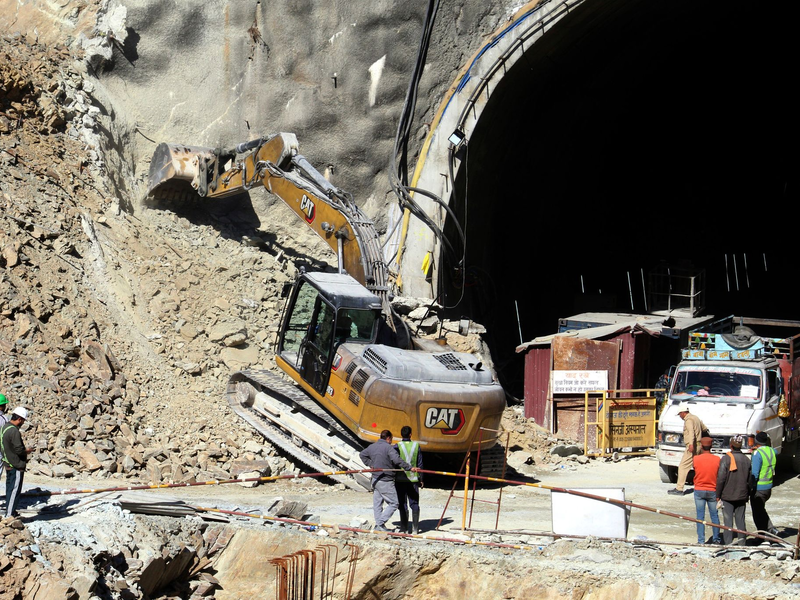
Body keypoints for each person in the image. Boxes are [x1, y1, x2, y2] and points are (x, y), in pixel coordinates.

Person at [359, 430, 417, 532]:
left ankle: (379, 527)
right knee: (394, 503)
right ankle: (380, 523)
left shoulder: (372, 447)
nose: (391, 441)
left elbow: (362, 454)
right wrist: (409, 467)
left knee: (377, 504)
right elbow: (397, 460)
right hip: (385, 480)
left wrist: (370, 464)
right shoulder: (388, 448)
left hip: (375, 479)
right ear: (388, 438)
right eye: (391, 439)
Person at [716, 435, 751, 546]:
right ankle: (742, 544)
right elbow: (750, 480)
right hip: (742, 495)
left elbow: (721, 478)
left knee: (728, 522)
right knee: (741, 521)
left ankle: (728, 544)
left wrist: (718, 494)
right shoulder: (746, 460)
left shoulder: (726, 459)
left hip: (727, 496)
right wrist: (747, 494)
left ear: (731, 445)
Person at [668, 402, 707, 495]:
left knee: (683, 466)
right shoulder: (696, 418)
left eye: (680, 414)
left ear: (683, 413)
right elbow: (704, 429)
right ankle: (702, 485)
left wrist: (690, 444)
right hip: (699, 445)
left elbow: (691, 432)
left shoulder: (688, 420)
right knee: (698, 467)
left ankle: (679, 488)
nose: (680, 416)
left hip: (693, 446)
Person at [1, 406, 30, 519]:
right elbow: (19, 450)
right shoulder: (14, 431)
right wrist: (27, 451)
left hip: (8, 463)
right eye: (23, 420)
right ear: (19, 419)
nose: (23, 423)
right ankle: (9, 515)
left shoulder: (5, 427)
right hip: (15, 465)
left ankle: (10, 512)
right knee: (14, 490)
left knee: (10, 488)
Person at [692, 436, 721, 544]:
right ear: (711, 446)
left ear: (701, 446)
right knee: (714, 515)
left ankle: (701, 540)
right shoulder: (717, 459)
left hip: (699, 489)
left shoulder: (696, 459)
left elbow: (695, 469)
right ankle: (716, 539)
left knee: (700, 516)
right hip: (712, 490)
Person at [394, 426, 423, 534]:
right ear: (410, 434)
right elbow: (420, 463)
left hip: (400, 479)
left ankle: (404, 528)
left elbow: (394, 461)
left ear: (401, 434)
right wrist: (421, 478)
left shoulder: (397, 446)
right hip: (413, 479)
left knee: (402, 503)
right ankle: (415, 529)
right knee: (414, 503)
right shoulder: (416, 446)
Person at [750, 431, 779, 537]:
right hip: (769, 486)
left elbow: (755, 473)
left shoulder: (757, 454)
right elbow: (775, 451)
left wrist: (750, 487)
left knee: (758, 513)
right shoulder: (772, 451)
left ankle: (766, 533)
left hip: (759, 488)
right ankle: (768, 532)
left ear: (756, 441)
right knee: (761, 509)